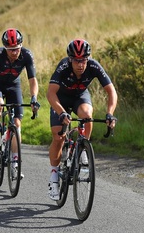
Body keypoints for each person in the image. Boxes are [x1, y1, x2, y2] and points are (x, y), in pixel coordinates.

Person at [46, 38, 117, 201]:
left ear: (88, 58)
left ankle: (83, 148)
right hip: (60, 100)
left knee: (87, 115)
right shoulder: (63, 66)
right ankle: (54, 177)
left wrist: (110, 113)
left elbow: (111, 91)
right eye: (77, 60)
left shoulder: (94, 66)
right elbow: (50, 93)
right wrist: (62, 113)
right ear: (70, 59)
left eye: (83, 60)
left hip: (80, 96)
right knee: (58, 138)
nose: (80, 64)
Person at [0, 28, 40, 178]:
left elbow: (32, 79)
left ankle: (15, 163)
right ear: (5, 48)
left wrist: (34, 98)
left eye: (17, 49)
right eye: (10, 50)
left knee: (17, 124)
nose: (14, 52)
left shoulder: (27, 55)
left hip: (13, 85)